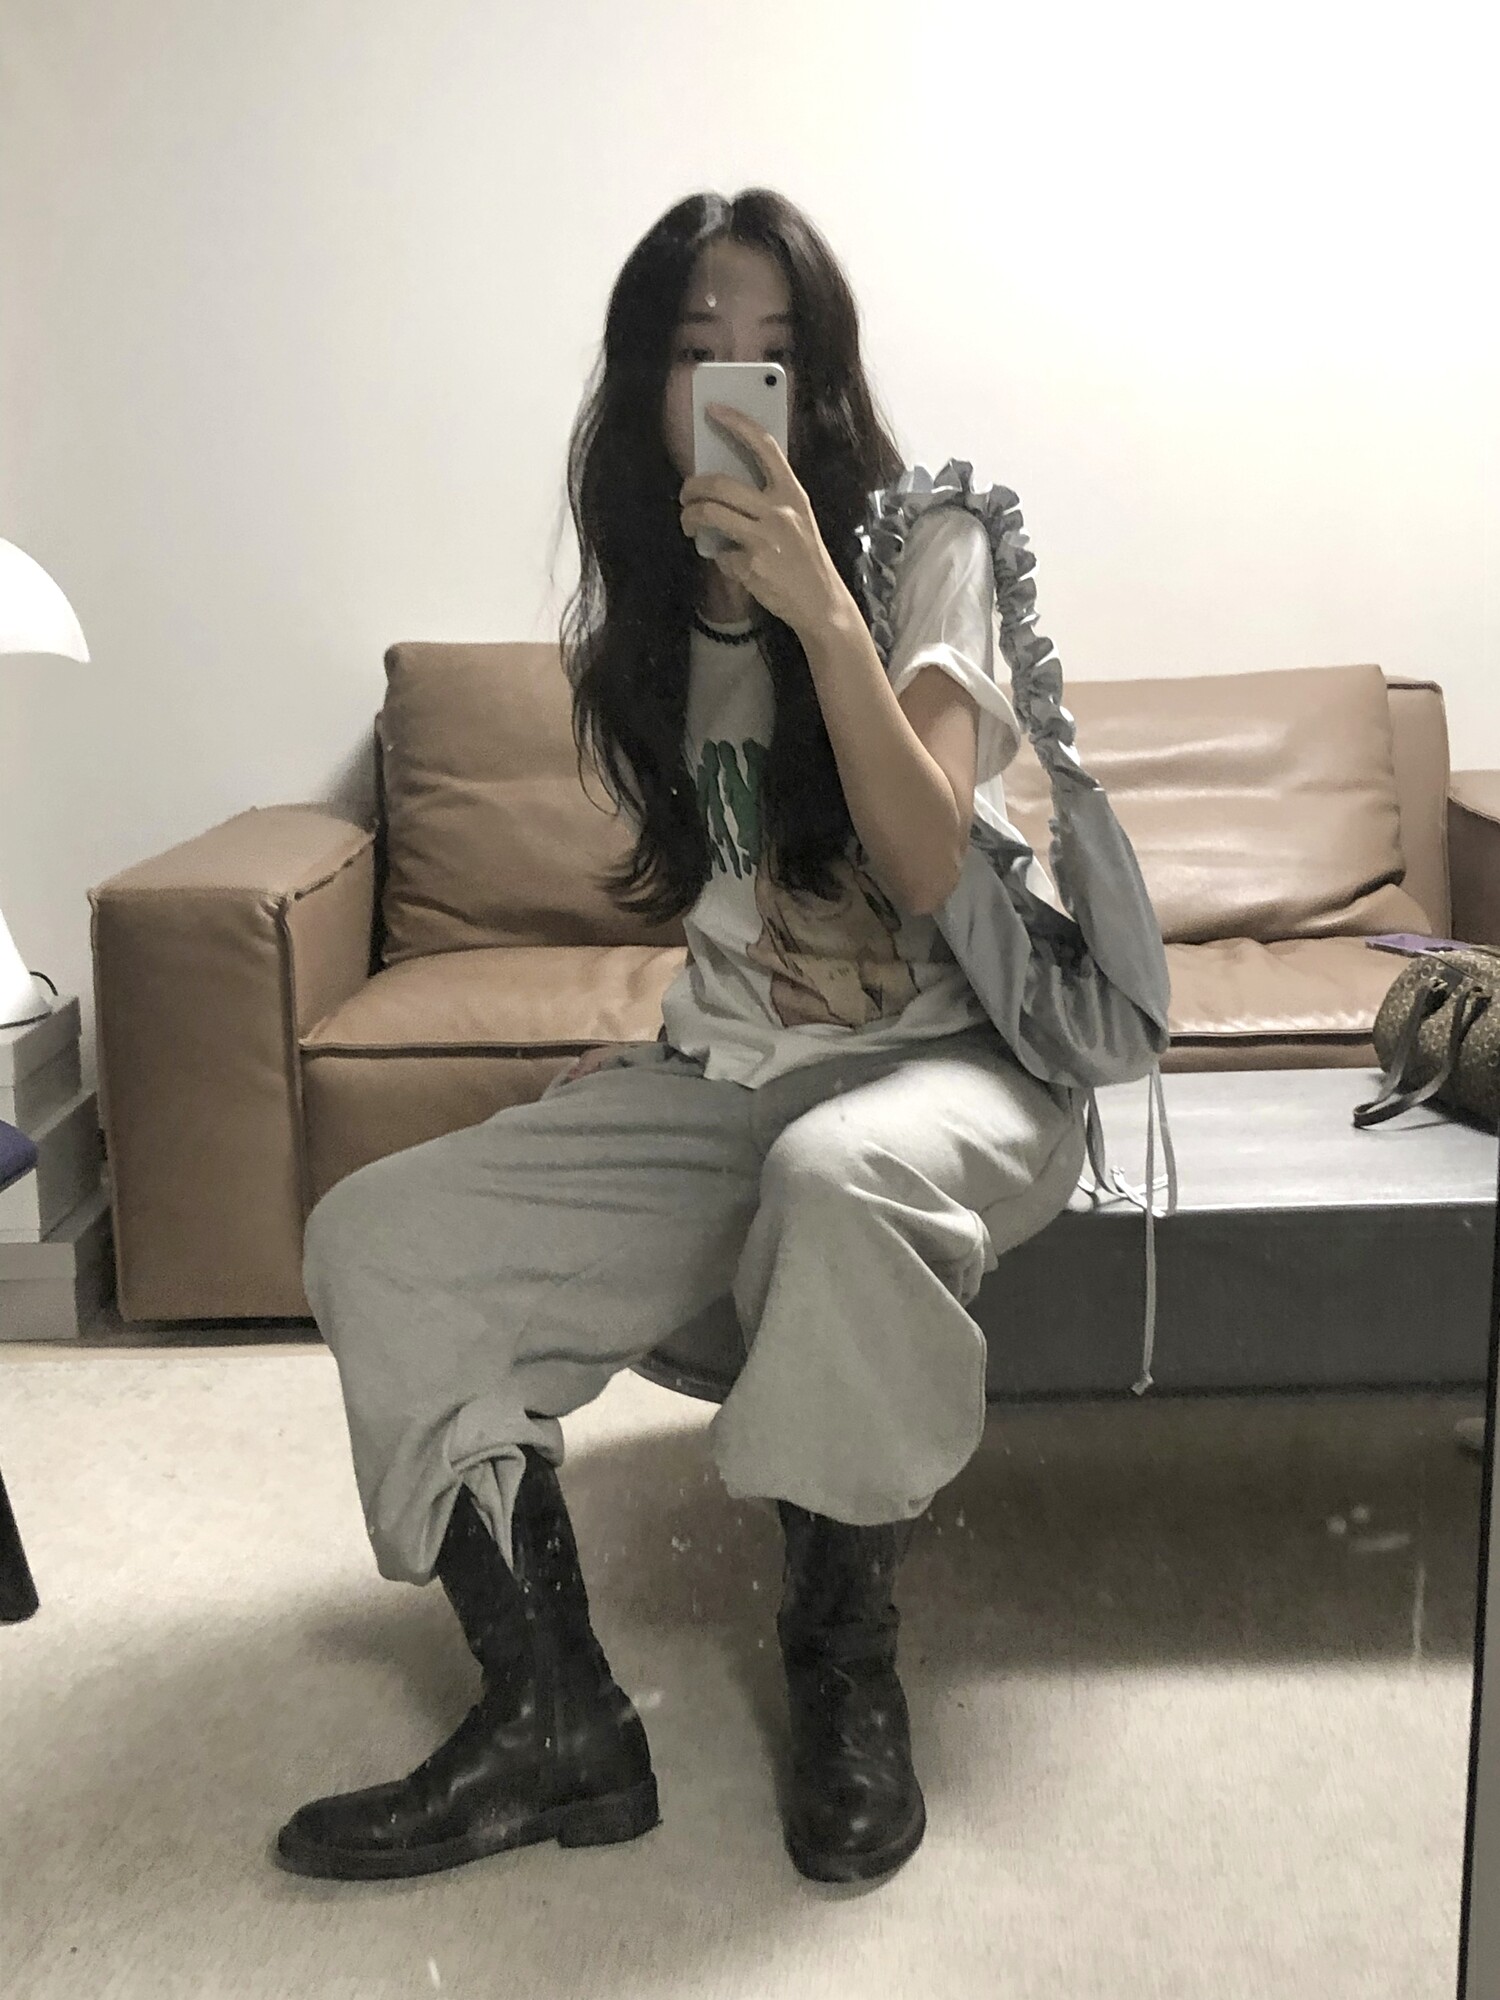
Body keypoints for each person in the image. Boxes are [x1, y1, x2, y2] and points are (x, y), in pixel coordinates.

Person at [274, 188, 1090, 1888]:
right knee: (379, 1238)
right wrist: (660, 1059)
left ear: (827, 380)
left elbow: (923, 864)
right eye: (699, 350)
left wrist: (822, 610)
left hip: (956, 1071)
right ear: (647, 385)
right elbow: (738, 894)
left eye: (776, 353)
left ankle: (844, 1661)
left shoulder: (930, 547)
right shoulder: (652, 611)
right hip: (727, 1081)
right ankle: (554, 1716)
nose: (738, 383)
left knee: (837, 1177)